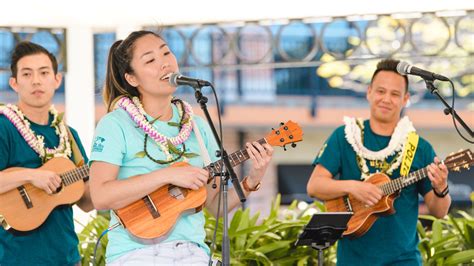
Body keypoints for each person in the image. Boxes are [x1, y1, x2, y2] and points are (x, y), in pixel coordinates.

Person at [88, 30, 274, 265]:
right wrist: (167, 174)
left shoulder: (198, 126)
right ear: (132, 78)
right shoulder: (115, 124)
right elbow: (101, 196)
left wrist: (252, 180)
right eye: (150, 60)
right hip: (136, 254)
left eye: (166, 52)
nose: (164, 63)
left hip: (193, 253)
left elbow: (213, 207)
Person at [307, 59, 451, 266]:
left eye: (395, 94)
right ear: (369, 92)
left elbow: (439, 211)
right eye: (381, 91)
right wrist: (354, 187)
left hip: (404, 260)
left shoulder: (419, 147)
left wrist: (441, 188)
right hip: (352, 260)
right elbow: (314, 186)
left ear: (405, 99)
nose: (386, 99)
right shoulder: (345, 136)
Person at [0, 41, 93, 265]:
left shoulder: (68, 135)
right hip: (14, 259)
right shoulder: (4, 127)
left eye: (43, 72)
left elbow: (87, 202)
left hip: (67, 257)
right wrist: (32, 176)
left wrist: (111, 175)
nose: (36, 81)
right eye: (27, 74)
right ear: (14, 83)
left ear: (57, 79)